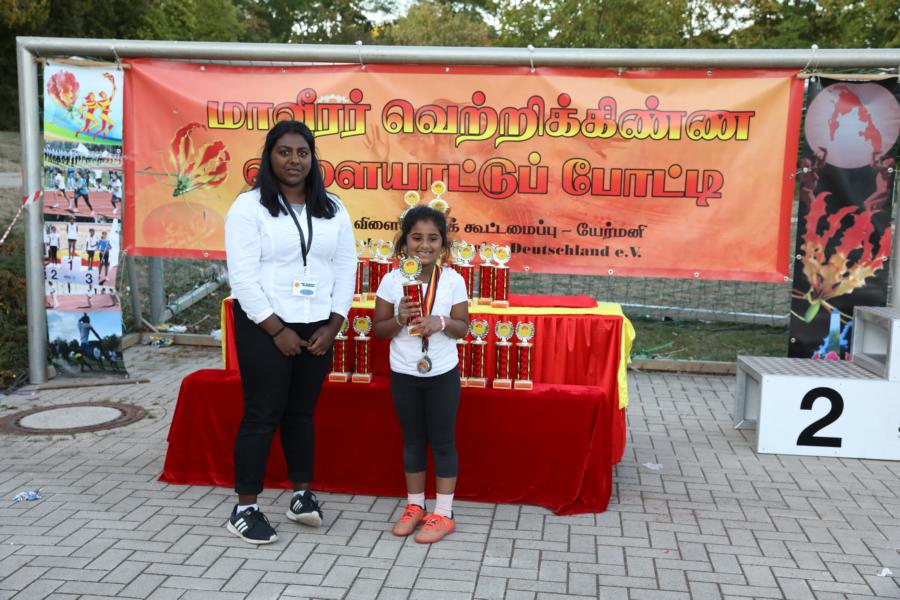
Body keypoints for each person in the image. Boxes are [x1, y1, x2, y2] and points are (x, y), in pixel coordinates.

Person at [223, 120, 356, 545]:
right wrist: (276, 329)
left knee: (301, 413)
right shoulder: (249, 208)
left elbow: (345, 268)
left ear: (313, 158)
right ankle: (244, 509)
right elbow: (243, 278)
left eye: (302, 152)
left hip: (317, 325)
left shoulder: (333, 208)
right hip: (264, 324)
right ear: (269, 157)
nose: (294, 160)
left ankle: (301, 496)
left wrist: (334, 325)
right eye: (284, 152)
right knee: (262, 414)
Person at [373, 205, 470, 544]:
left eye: (433, 238)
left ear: (443, 245)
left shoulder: (453, 280)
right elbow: (380, 330)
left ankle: (444, 513)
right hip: (404, 372)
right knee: (413, 439)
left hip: (441, 372)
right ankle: (415, 505)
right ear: (404, 243)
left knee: (442, 441)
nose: (424, 245)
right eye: (416, 238)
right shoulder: (392, 280)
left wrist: (439, 322)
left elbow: (463, 327)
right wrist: (400, 318)